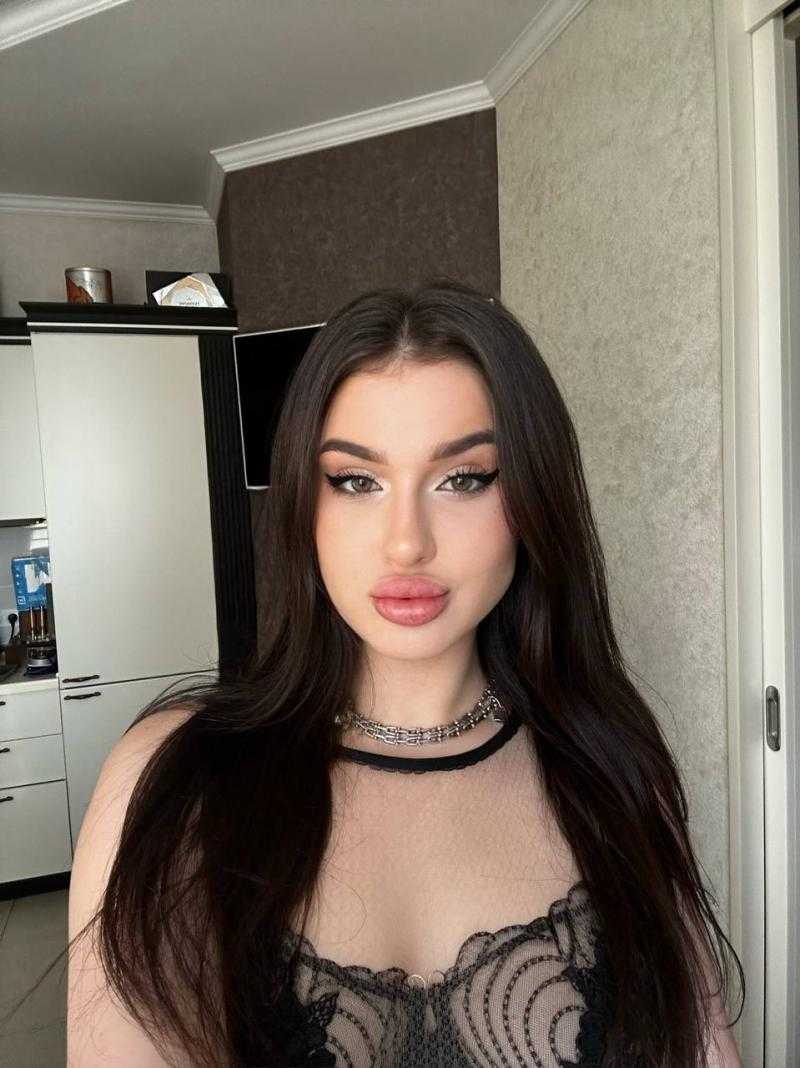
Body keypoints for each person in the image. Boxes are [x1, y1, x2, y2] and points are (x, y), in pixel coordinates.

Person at [61, 279, 744, 1066]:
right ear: (303, 506)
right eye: (357, 481)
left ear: (533, 500)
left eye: (464, 478)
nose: (406, 543)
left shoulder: (612, 763)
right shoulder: (175, 783)